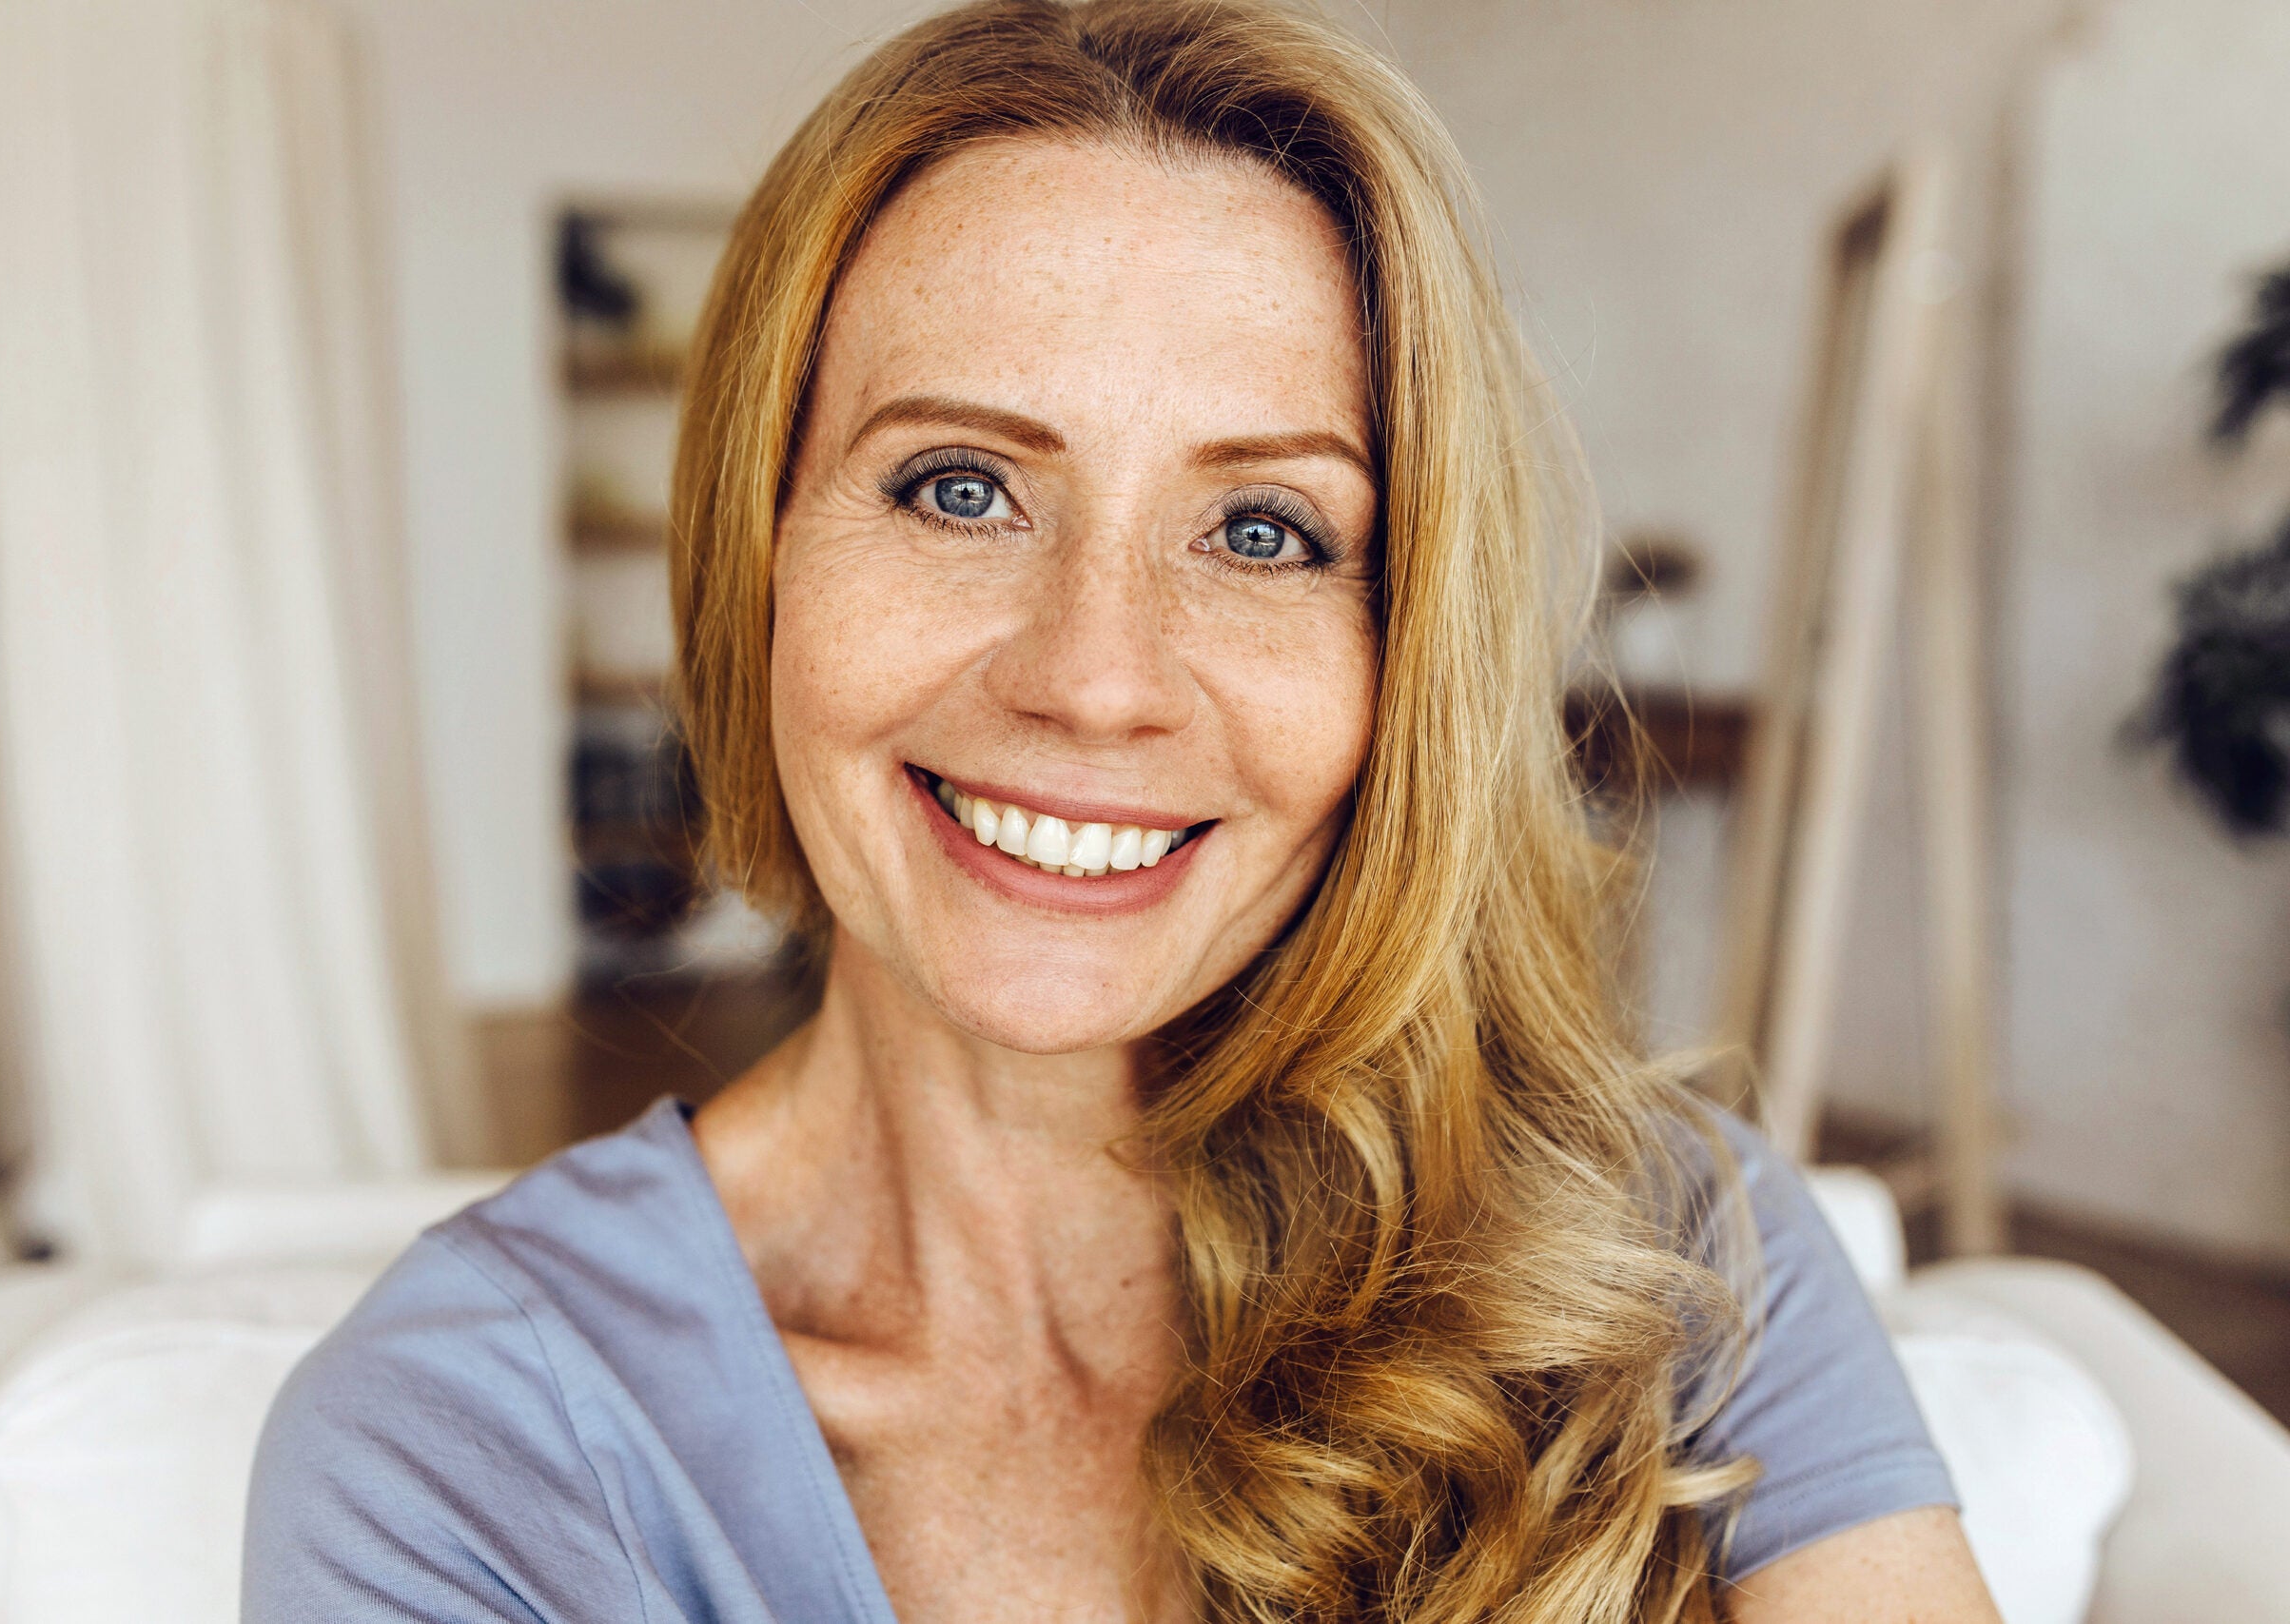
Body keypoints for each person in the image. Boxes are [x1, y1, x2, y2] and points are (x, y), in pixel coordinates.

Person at [245, 3, 2001, 1619]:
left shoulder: (1656, 1253)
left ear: (1406, 655)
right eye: (959, 487)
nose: (1096, 678)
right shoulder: (455, 1446)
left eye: (1264, 533)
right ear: (755, 553)